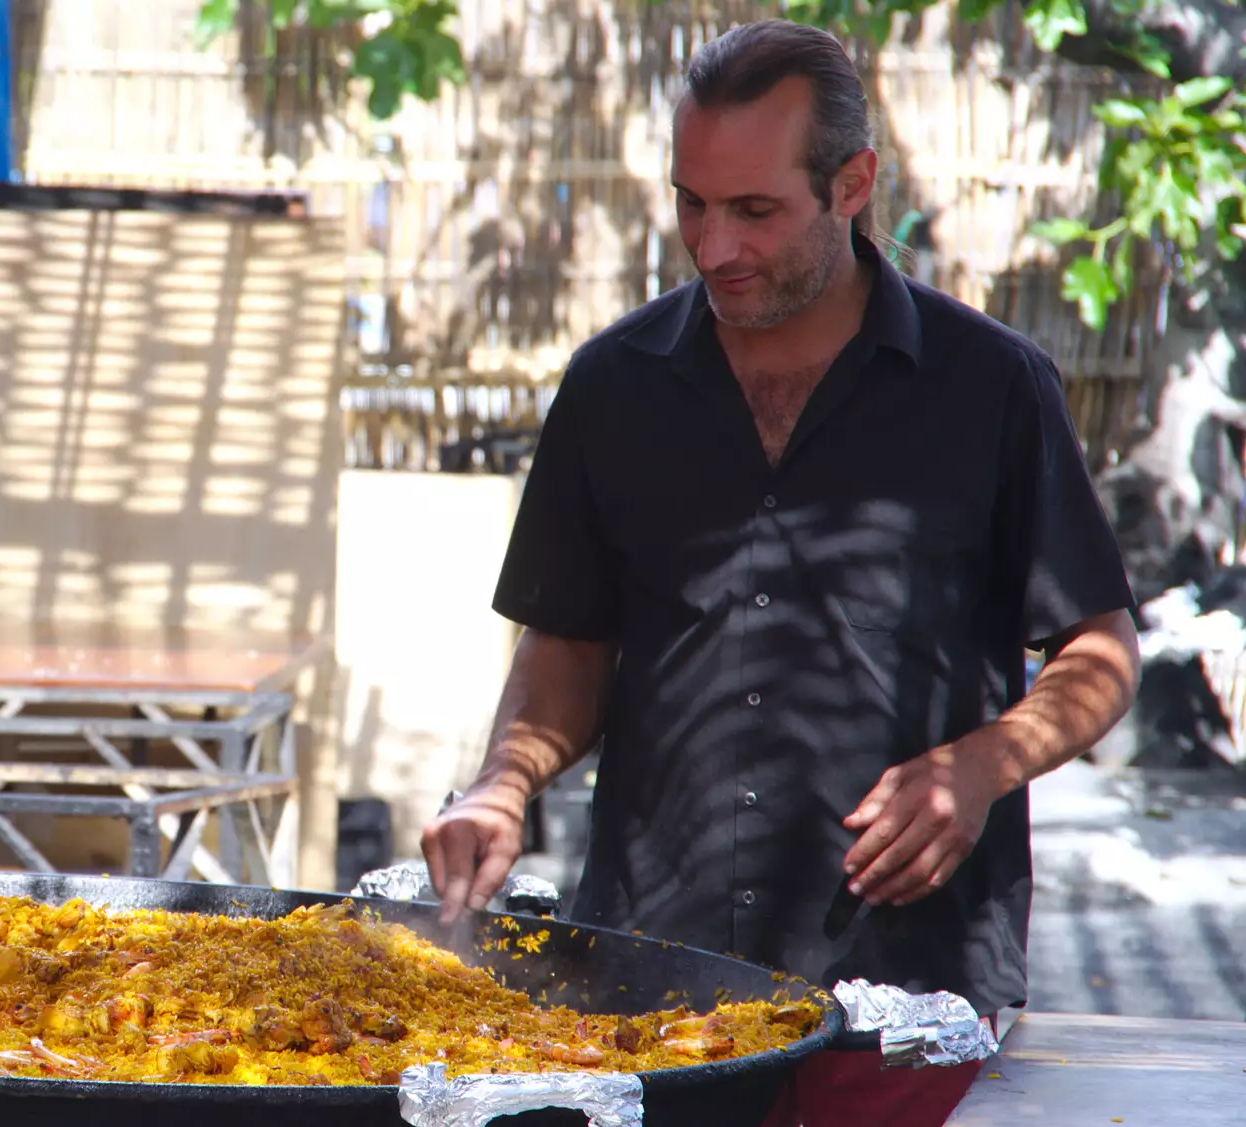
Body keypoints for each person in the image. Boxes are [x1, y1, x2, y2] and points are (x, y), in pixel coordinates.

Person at [419, 17, 1141, 1127]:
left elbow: (1097, 651)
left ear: (852, 185)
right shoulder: (610, 388)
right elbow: (567, 640)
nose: (713, 247)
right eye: (690, 204)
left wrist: (986, 762)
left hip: (911, 992)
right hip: (648, 983)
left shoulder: (991, 388)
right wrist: (503, 782)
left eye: (754, 210)